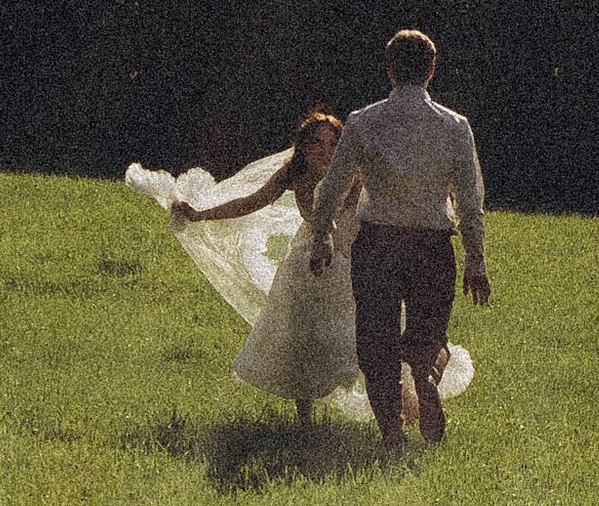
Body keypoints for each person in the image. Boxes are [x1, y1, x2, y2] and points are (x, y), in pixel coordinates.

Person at [126, 102, 474, 429]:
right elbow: (253, 201)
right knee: (298, 338)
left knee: (366, 338)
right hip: (305, 266)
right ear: (303, 147)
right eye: (316, 143)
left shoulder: (354, 174)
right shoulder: (292, 174)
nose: (324, 151)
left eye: (332, 143)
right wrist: (201, 214)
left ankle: (404, 401)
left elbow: (387, 198)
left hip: (350, 265)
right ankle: (305, 420)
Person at [308, 28, 490, 455]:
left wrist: (323, 238)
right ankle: (425, 375)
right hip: (431, 246)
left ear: (389, 71)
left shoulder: (363, 121)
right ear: (431, 70)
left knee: (376, 342)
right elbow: (470, 199)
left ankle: (391, 432)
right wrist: (476, 262)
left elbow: (331, 189)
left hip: (378, 244)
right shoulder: (455, 126)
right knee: (427, 334)